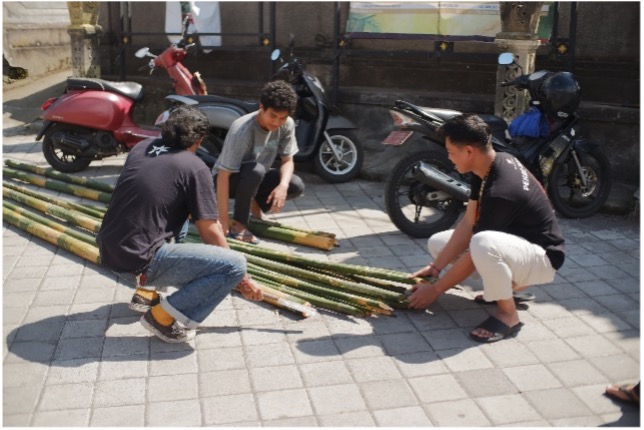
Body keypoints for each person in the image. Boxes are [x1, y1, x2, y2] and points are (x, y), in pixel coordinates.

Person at [97, 105, 263, 344]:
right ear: (199, 140)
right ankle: (162, 318)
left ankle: (146, 293)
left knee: (181, 221)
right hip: (137, 261)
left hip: (109, 249)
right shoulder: (194, 167)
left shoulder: (142, 147)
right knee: (234, 265)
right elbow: (210, 230)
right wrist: (242, 279)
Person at [407, 113, 565, 343]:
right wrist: (435, 268)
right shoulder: (488, 166)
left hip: (543, 258)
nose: (449, 158)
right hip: (517, 246)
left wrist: (436, 290)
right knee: (438, 243)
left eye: (451, 152)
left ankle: (508, 314)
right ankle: (503, 287)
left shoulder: (501, 190)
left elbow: (476, 252)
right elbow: (469, 222)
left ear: (469, 151)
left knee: (483, 244)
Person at [214, 80, 304, 244]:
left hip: (255, 177)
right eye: (273, 116)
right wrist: (224, 220)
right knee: (256, 170)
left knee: (295, 184)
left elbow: (288, 160)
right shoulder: (242, 130)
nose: (277, 123)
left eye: (282, 118)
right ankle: (239, 225)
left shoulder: (287, 125)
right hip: (227, 180)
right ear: (261, 107)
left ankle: (255, 211)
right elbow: (223, 175)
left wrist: (283, 186)